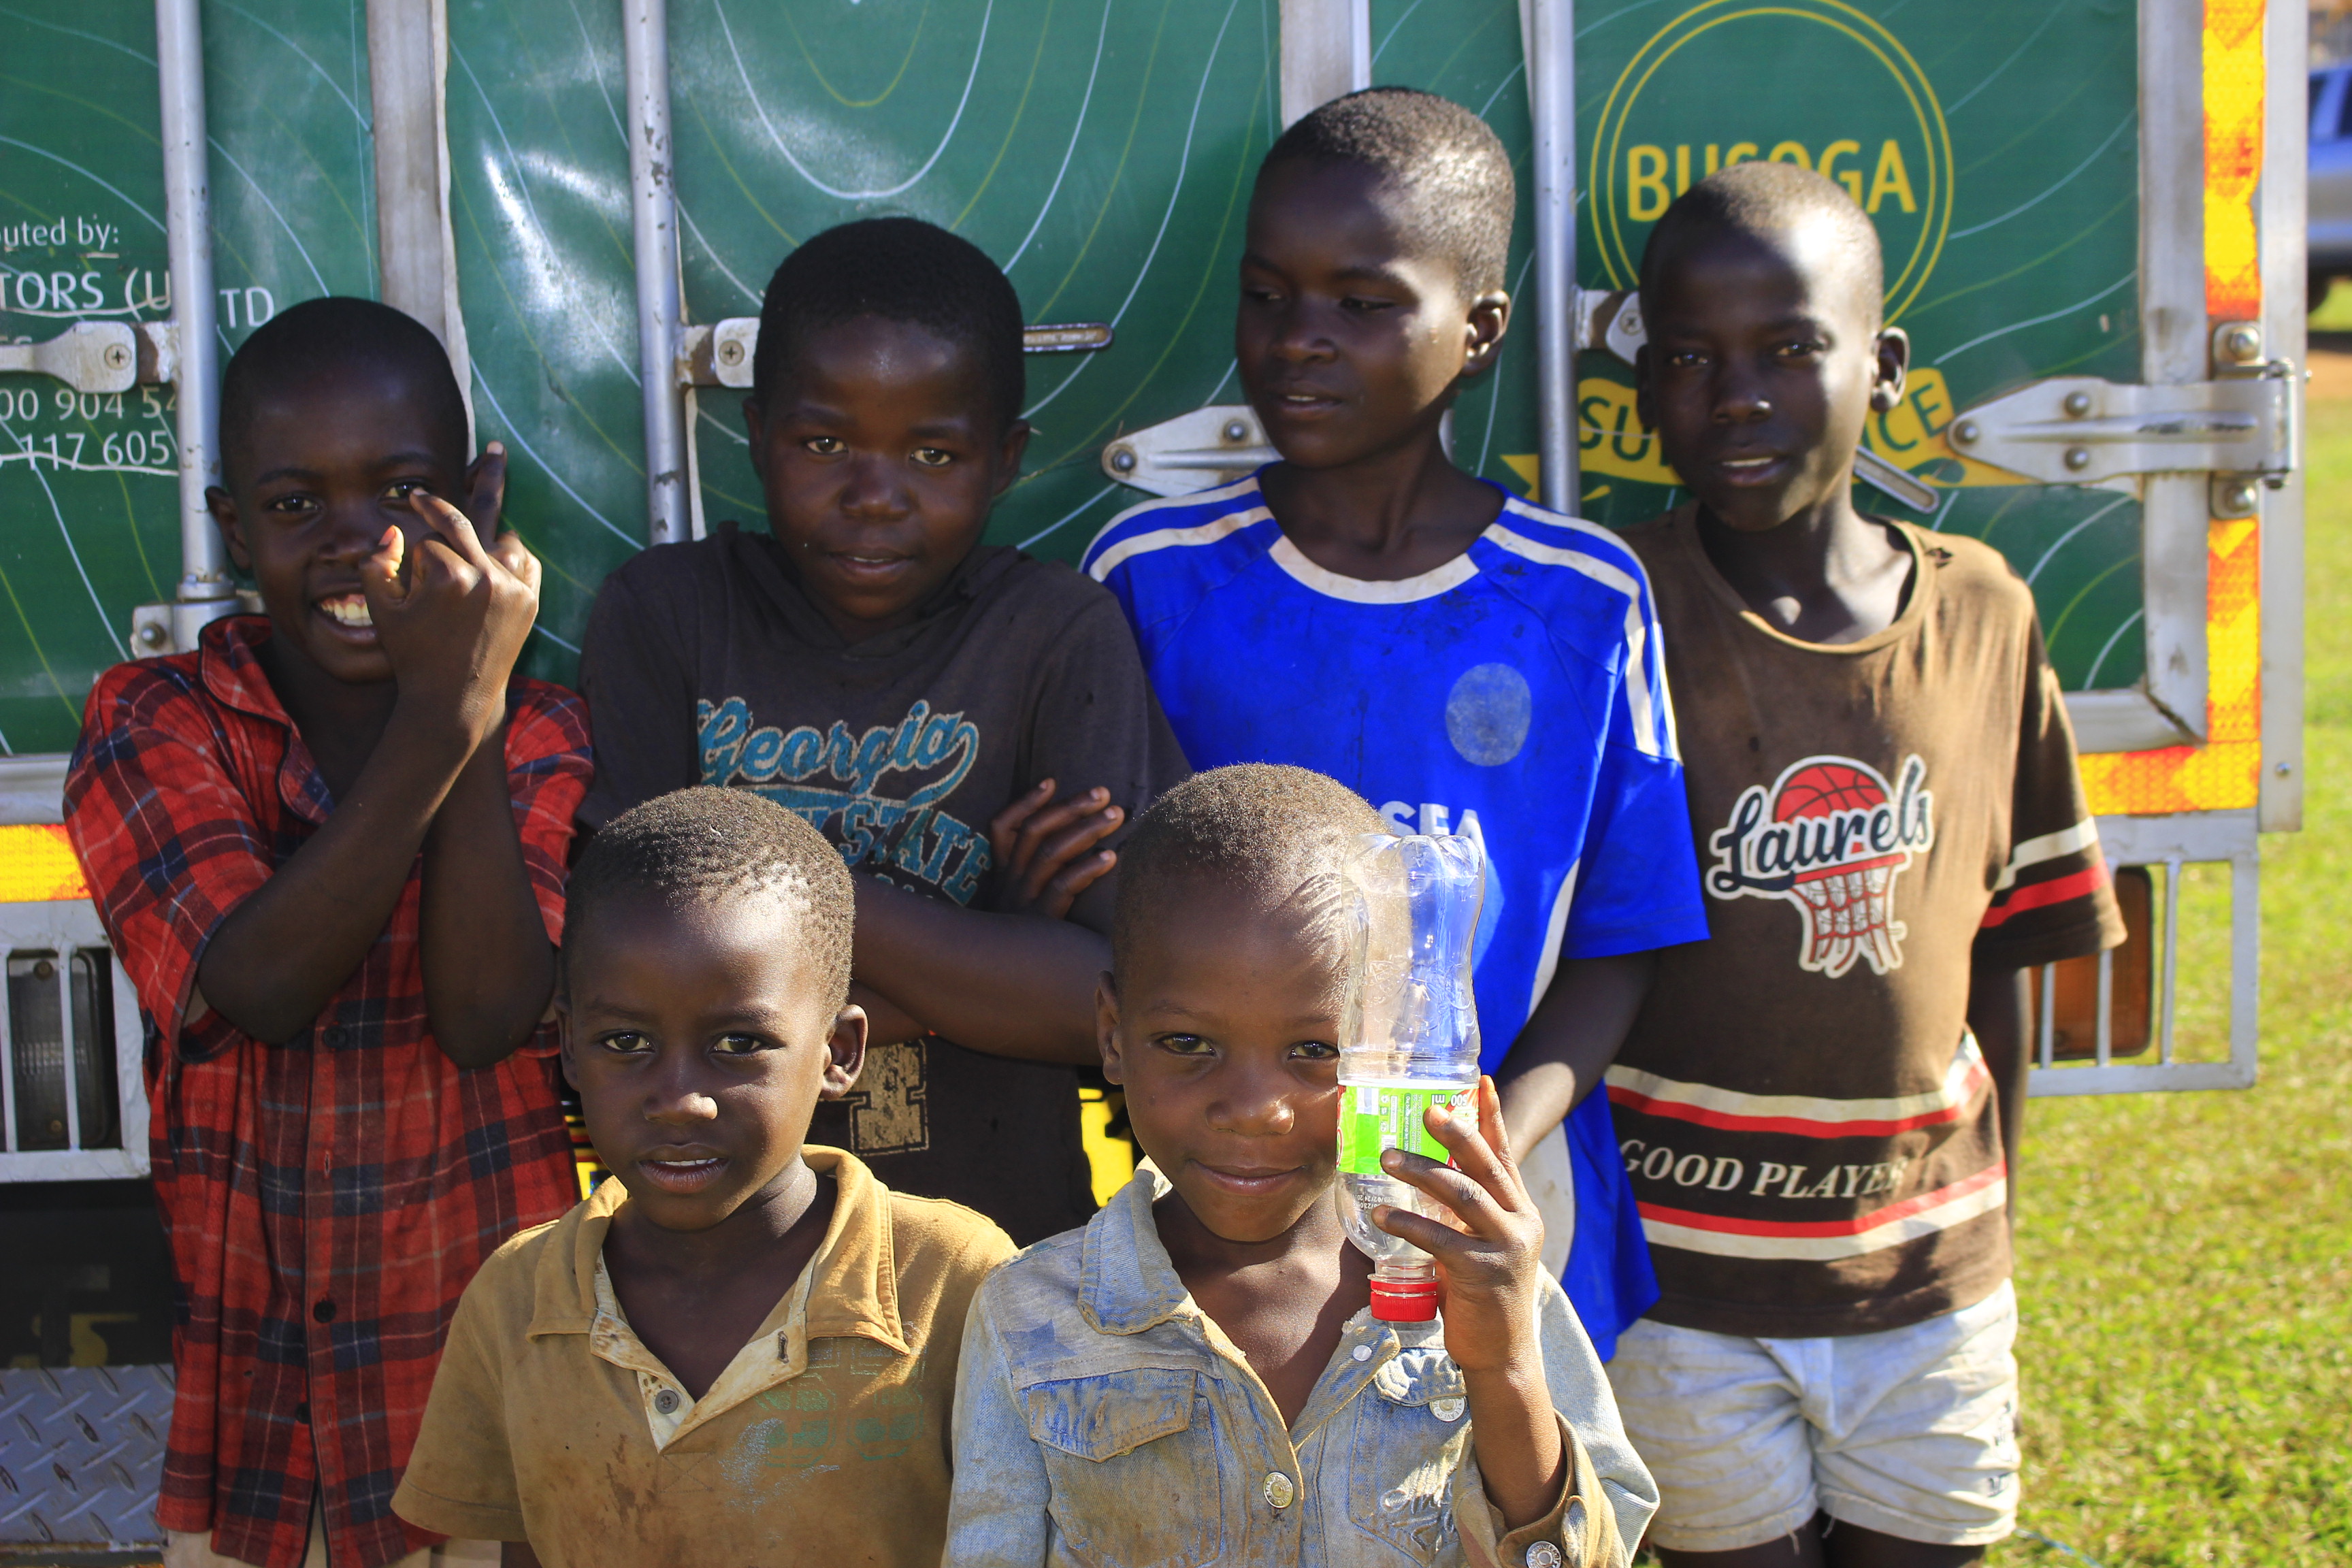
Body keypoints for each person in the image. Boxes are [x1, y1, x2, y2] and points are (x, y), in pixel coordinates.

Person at [1081, 88, 1707, 1360]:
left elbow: (1622, 937)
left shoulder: (1583, 601)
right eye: (1269, 296)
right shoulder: (1152, 574)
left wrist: (1492, 1137)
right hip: (1223, 1188)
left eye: (1362, 304)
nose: (1302, 339)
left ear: (1479, 331)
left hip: (1488, 1188)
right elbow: (1112, 895)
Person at [1599, 163, 2127, 1566]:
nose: (1740, 395)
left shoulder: (1983, 616)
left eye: (1789, 349)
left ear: (1883, 368)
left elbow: (2009, 949)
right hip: (1681, 1285)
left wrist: (1986, 1221)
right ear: (1648, 385)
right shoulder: (1614, 610)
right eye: (1693, 359)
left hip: (1927, 1282)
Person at [64, 297, 589, 1568]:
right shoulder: (155, 718)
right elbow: (259, 982)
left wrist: (465, 702)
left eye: (403, 493)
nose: (357, 547)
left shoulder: (544, 732)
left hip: (494, 1414)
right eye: (297, 508)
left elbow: (485, 1016)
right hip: (260, 1430)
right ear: (234, 529)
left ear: (477, 494)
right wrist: (444, 705)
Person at [578, 216, 1186, 1245]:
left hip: (1000, 1256)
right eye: (823, 443)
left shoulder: (1050, 635)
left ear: (1004, 461)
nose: (873, 497)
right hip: (718, 1258)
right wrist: (992, 945)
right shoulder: (669, 617)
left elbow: (1123, 1006)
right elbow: (626, 987)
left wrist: (765, 941)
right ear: (756, 431)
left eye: (934, 453)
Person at [945, 765, 1655, 1567]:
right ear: (1113, 1034)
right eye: (1188, 1044)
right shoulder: (1030, 1318)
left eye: (1316, 1051)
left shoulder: (1484, 1287)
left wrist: (1503, 1370)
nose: (1255, 1108)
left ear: (1391, 1051)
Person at [391, 787, 1014, 1567]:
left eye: (739, 1043)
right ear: (570, 1050)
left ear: (838, 1053)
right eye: (625, 1041)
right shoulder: (520, 1300)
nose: (681, 1100)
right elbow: (529, 1548)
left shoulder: (949, 1282)